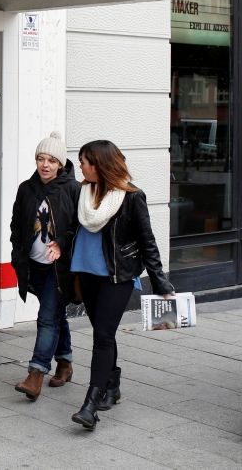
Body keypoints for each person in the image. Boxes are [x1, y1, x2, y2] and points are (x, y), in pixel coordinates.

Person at [70, 140, 175, 430]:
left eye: (84, 161)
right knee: (103, 331)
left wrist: (160, 282)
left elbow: (147, 241)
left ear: (100, 165)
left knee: (102, 335)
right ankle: (112, 385)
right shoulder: (82, 193)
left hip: (118, 276)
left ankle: (91, 403)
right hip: (86, 273)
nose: (81, 166)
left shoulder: (132, 197)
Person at [10, 131, 81, 401]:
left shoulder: (73, 190)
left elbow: (79, 226)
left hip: (59, 268)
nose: (45, 165)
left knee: (47, 318)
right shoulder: (26, 189)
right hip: (32, 265)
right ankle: (65, 362)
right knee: (55, 314)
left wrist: (61, 242)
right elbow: (17, 225)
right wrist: (18, 255)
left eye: (51, 160)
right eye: (41, 158)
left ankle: (35, 373)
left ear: (61, 164)